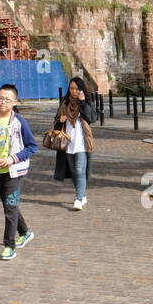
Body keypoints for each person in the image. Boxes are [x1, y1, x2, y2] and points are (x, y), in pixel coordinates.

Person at [0, 83, 37, 260]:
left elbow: (32, 146)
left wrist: (13, 159)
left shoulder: (20, 122)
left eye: (7, 99)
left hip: (15, 171)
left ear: (14, 102)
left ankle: (9, 246)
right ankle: (25, 232)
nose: (2, 102)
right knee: (9, 205)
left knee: (9, 209)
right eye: (0, 98)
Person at [52, 76, 96, 210]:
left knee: (79, 170)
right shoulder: (65, 103)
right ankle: (82, 195)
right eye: (72, 88)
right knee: (73, 172)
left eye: (77, 89)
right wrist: (61, 120)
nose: (74, 91)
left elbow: (92, 118)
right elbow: (55, 122)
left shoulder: (87, 101)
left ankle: (78, 199)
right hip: (67, 142)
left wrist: (82, 102)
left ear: (82, 89)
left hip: (82, 142)